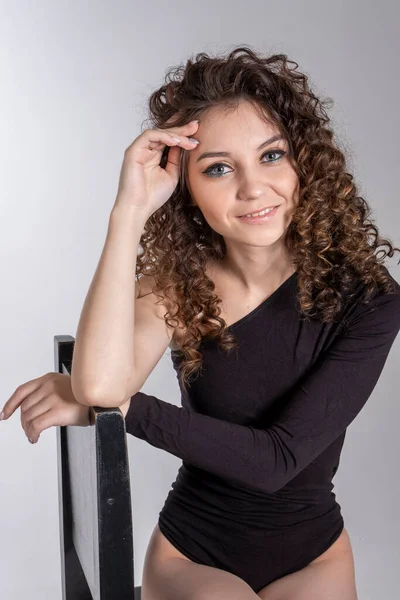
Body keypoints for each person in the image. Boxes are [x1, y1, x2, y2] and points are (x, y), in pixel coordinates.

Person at [3, 46, 400, 599]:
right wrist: (130, 211)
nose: (252, 188)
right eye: (218, 168)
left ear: (303, 162)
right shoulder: (175, 286)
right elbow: (95, 384)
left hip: (315, 556)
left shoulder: (370, 300)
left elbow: (277, 461)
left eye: (271, 156)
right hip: (196, 554)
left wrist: (124, 410)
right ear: (187, 187)